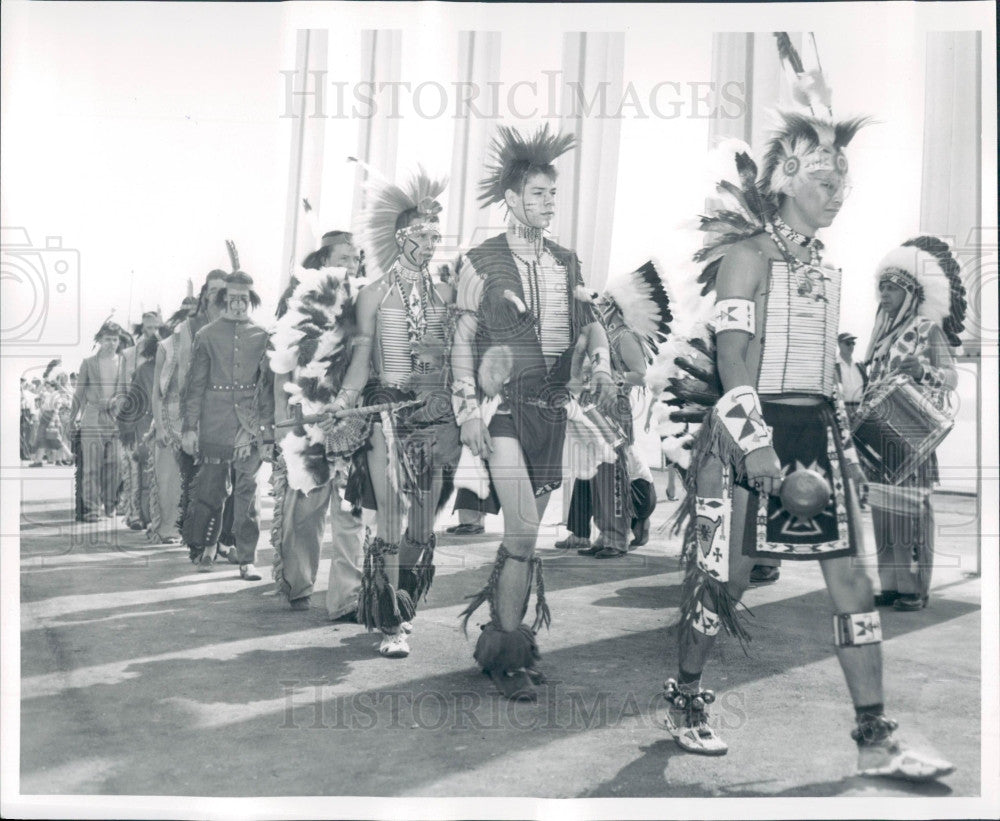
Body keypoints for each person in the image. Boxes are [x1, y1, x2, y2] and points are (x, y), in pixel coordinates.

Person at [660, 109, 953, 781]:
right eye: (826, 175)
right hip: (748, 435)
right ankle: (684, 692)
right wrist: (754, 443)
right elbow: (733, 355)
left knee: (850, 579)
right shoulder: (749, 254)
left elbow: (816, 368)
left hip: (817, 435)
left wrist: (846, 432)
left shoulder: (817, 262)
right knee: (726, 578)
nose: (839, 188)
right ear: (786, 177)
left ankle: (874, 735)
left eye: (845, 177)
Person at [452, 125, 616, 699]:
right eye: (539, 193)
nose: (549, 203)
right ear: (512, 199)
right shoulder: (479, 260)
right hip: (501, 410)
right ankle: (509, 658)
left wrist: (599, 358)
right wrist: (466, 411)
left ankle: (503, 641)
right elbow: (461, 339)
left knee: (525, 540)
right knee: (522, 531)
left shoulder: (567, 262)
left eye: (553, 193)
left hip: (554, 411)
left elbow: (591, 321)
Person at [338, 167, 460, 659]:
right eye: (422, 235)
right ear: (400, 236)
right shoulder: (372, 294)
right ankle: (389, 619)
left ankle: (404, 601)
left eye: (436, 235)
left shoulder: (448, 296)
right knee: (389, 512)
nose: (431, 244)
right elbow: (360, 360)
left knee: (423, 524)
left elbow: (458, 360)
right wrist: (346, 403)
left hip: (434, 414)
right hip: (387, 410)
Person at [860, 237, 965, 612]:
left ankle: (915, 589)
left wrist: (924, 371)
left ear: (909, 293)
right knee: (885, 514)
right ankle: (892, 584)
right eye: (881, 287)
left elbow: (951, 377)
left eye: (891, 288)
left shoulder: (926, 330)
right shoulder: (881, 336)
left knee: (911, 514)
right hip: (881, 436)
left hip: (914, 436)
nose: (884, 295)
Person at [269, 231, 367, 617]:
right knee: (306, 511)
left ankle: (346, 599)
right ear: (324, 261)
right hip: (307, 417)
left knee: (351, 511)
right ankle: (298, 584)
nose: (351, 264)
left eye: (356, 258)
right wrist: (281, 419)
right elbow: (281, 365)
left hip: (354, 417)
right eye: (343, 257)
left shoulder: (366, 301)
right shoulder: (301, 298)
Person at [565, 261, 671, 557]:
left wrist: (609, 379)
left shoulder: (623, 336)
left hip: (615, 407)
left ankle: (616, 537)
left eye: (605, 302)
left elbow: (640, 374)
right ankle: (604, 534)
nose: (599, 306)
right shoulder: (600, 334)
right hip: (594, 405)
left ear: (615, 306)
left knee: (613, 469)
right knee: (598, 470)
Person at [181, 249, 274, 581]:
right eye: (232, 298)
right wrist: (189, 428)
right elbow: (194, 386)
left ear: (251, 300)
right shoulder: (206, 336)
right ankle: (208, 547)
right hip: (214, 424)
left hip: (248, 426)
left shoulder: (262, 336)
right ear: (223, 299)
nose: (238, 304)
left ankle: (247, 558)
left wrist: (266, 433)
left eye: (244, 298)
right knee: (212, 490)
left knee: (248, 492)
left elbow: (266, 389)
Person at [162, 270, 229, 559]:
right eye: (212, 289)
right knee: (197, 479)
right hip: (196, 413)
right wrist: (185, 422)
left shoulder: (236, 325)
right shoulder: (188, 329)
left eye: (222, 289)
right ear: (204, 295)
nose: (216, 294)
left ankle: (221, 539)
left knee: (227, 482)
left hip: (229, 413)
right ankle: (197, 541)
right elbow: (180, 378)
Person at [70, 321, 127, 522]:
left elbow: (126, 392)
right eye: (107, 339)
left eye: (114, 339)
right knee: (92, 467)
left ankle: (110, 503)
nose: (111, 343)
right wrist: (71, 418)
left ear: (119, 341)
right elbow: (79, 394)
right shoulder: (88, 363)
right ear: (100, 340)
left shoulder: (124, 361)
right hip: (92, 417)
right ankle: (92, 508)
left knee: (117, 464)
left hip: (116, 418)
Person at [118, 310, 164, 530]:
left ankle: (153, 513)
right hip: (135, 415)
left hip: (159, 417)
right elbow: (121, 391)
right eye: (148, 328)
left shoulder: (167, 351)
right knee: (135, 467)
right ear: (141, 328)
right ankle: (135, 514)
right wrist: (124, 422)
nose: (152, 332)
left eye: (156, 328)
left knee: (157, 469)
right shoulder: (128, 354)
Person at [836, 331, 868, 422]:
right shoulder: (834, 366)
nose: (851, 346)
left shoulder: (860, 365)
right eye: (847, 343)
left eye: (853, 343)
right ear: (839, 344)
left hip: (860, 410)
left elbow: (868, 387)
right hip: (841, 410)